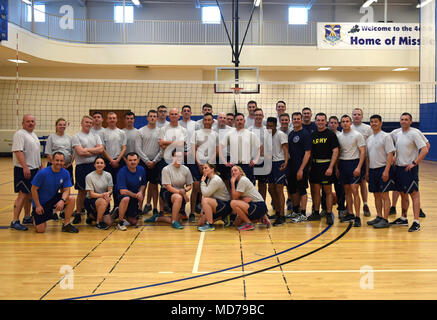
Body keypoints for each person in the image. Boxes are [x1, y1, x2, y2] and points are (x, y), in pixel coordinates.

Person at [390, 113, 429, 232]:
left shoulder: (414, 133)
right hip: (399, 168)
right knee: (402, 193)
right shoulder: (397, 133)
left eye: (406, 119)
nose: (404, 121)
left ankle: (416, 221)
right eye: (402, 119)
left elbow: (425, 149)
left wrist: (414, 163)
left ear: (411, 121)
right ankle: (403, 217)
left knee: (414, 194)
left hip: (409, 169)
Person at [30, 152, 78, 233]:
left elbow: (67, 190)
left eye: (61, 161)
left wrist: (62, 201)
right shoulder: (43, 173)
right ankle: (35, 216)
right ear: (52, 160)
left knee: (71, 199)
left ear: (64, 162)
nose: (59, 163)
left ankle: (66, 224)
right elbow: (33, 190)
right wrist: (37, 205)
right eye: (57, 160)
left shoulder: (65, 173)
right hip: (41, 204)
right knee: (40, 230)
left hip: (53, 199)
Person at [146, 150, 193, 230]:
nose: (178, 158)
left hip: (181, 193)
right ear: (172, 157)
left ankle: (157, 218)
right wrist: (182, 193)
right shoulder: (166, 169)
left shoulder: (186, 169)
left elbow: (189, 185)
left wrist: (184, 191)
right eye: (176, 156)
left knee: (182, 219)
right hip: (167, 193)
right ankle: (174, 221)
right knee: (178, 197)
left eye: (180, 157)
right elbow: (168, 187)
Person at [10, 114, 42, 231]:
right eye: (28, 121)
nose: (31, 123)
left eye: (32, 121)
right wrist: (25, 167)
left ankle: (27, 217)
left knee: (30, 194)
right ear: (23, 123)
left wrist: (40, 166)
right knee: (22, 194)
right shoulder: (20, 134)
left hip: (34, 168)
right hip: (23, 169)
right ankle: (15, 220)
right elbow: (18, 151)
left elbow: (35, 152)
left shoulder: (33, 135)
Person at [307, 113, 339, 226]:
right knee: (315, 191)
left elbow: (335, 151)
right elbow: (309, 152)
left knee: (328, 191)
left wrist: (331, 167)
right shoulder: (313, 135)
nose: (320, 122)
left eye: (322, 120)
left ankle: (329, 213)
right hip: (315, 166)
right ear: (315, 122)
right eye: (318, 120)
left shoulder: (330, 134)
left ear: (326, 122)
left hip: (326, 166)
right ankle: (316, 212)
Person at [71, 115, 104, 224]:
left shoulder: (95, 135)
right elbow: (80, 152)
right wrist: (93, 151)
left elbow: (101, 149)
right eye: (87, 122)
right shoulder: (76, 136)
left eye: (90, 122)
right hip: (81, 167)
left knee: (93, 191)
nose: (89, 124)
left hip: (93, 166)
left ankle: (91, 213)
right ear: (82, 123)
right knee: (82, 192)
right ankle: (78, 213)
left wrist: (87, 150)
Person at [365, 115, 395, 229]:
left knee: (384, 195)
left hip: (383, 168)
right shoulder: (369, 139)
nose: (373, 124)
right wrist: (367, 171)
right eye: (371, 122)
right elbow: (367, 157)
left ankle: (385, 219)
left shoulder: (386, 136)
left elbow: (390, 154)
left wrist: (387, 170)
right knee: (376, 194)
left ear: (381, 123)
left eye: (376, 122)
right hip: (372, 170)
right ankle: (379, 216)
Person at [336, 115, 366, 227]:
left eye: (347, 121)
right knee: (347, 190)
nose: (345, 123)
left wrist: (359, 167)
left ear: (350, 122)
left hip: (354, 163)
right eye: (343, 121)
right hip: (343, 164)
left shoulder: (357, 135)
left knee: (354, 190)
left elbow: (362, 151)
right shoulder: (339, 136)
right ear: (341, 123)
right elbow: (338, 153)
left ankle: (358, 216)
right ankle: (350, 213)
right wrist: (337, 168)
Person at [190, 113, 219, 222]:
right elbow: (193, 149)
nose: (207, 121)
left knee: (209, 189)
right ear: (203, 121)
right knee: (197, 187)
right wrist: (198, 162)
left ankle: (205, 211)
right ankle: (192, 212)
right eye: (205, 120)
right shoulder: (196, 133)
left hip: (210, 163)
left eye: (209, 120)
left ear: (212, 121)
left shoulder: (216, 134)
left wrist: (210, 162)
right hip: (198, 162)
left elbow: (217, 150)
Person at [220, 113, 261, 185]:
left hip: (247, 166)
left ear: (244, 121)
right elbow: (220, 147)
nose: (239, 122)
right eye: (237, 120)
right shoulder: (229, 134)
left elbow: (260, 147)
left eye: (241, 120)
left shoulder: (250, 134)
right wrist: (224, 162)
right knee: (234, 189)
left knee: (248, 190)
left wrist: (256, 160)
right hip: (234, 166)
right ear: (234, 122)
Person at [136, 110, 162, 217]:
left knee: (154, 186)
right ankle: (139, 208)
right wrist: (146, 161)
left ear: (157, 118)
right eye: (150, 116)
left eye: (154, 116)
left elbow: (162, 148)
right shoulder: (141, 131)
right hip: (143, 163)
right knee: (142, 186)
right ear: (147, 118)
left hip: (155, 162)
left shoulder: (161, 131)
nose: (152, 118)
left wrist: (154, 161)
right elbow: (138, 148)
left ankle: (155, 208)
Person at [287, 112, 311, 223]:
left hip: (301, 168)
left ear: (301, 120)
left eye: (298, 119)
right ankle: (295, 211)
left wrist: (301, 169)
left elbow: (307, 153)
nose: (296, 120)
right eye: (294, 119)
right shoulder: (291, 134)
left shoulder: (305, 134)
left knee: (302, 190)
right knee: (293, 190)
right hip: (292, 167)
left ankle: (303, 213)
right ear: (292, 120)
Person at [230, 166, 270, 231]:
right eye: (232, 171)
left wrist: (232, 183)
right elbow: (238, 197)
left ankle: (249, 224)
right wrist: (243, 200)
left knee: (233, 203)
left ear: (241, 172)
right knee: (237, 223)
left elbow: (234, 198)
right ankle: (261, 219)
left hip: (258, 206)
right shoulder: (240, 181)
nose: (233, 172)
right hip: (254, 205)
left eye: (235, 170)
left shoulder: (243, 180)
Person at [265, 118, 289, 226]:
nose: (269, 128)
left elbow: (285, 148)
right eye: (268, 126)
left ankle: (282, 215)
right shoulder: (267, 135)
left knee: (279, 189)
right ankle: (278, 211)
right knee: (271, 188)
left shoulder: (281, 134)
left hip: (279, 162)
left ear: (275, 126)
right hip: (270, 163)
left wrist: (286, 162)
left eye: (271, 126)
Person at [115, 152, 146, 230]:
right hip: (122, 197)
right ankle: (120, 222)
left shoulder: (141, 169)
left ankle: (119, 211)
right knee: (126, 198)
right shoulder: (122, 172)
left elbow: (143, 184)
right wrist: (136, 195)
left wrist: (140, 192)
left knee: (134, 222)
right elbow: (123, 191)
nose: (133, 162)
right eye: (130, 160)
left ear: (138, 160)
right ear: (126, 161)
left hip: (133, 197)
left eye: (135, 160)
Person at [351, 108, 373, 217]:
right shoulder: (348, 127)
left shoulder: (368, 128)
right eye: (354, 114)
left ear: (362, 116)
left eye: (358, 114)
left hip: (363, 159)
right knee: (351, 184)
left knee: (363, 182)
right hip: (350, 159)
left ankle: (365, 204)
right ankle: (350, 205)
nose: (356, 116)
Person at [197, 163, 231, 232]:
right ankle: (223, 217)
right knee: (200, 223)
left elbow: (205, 194)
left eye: (206, 168)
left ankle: (210, 224)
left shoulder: (216, 179)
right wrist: (202, 211)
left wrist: (202, 182)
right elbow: (206, 195)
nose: (203, 170)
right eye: (203, 168)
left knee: (205, 200)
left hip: (225, 205)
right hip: (217, 204)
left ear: (212, 169)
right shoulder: (210, 179)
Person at [84, 156, 114, 230]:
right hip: (91, 200)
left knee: (109, 223)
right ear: (94, 165)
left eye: (101, 163)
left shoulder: (108, 175)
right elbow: (91, 194)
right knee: (103, 201)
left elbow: (110, 190)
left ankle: (92, 217)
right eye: (97, 163)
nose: (99, 165)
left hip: (103, 199)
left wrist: (108, 193)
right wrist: (103, 195)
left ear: (104, 165)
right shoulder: (89, 176)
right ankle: (98, 222)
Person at [327, 116, 346, 219]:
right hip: (327, 166)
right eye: (331, 123)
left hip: (338, 166)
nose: (333, 124)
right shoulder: (326, 134)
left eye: (335, 123)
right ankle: (325, 209)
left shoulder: (341, 136)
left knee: (340, 189)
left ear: (338, 124)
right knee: (326, 189)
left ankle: (341, 208)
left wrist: (337, 168)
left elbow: (339, 153)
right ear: (328, 124)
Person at [102, 112, 127, 188]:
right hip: (107, 162)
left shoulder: (122, 132)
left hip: (119, 161)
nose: (112, 120)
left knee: (118, 185)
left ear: (116, 120)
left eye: (113, 118)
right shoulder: (103, 132)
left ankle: (118, 200)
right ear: (107, 120)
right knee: (107, 186)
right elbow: (102, 148)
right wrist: (111, 160)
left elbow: (124, 148)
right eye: (110, 118)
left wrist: (117, 160)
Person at [248, 108, 269, 200]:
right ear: (253, 116)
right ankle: (252, 204)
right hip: (251, 161)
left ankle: (262, 204)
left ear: (263, 116)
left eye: (260, 115)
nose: (258, 117)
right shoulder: (249, 130)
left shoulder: (267, 130)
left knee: (262, 184)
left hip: (263, 161)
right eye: (256, 115)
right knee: (250, 184)